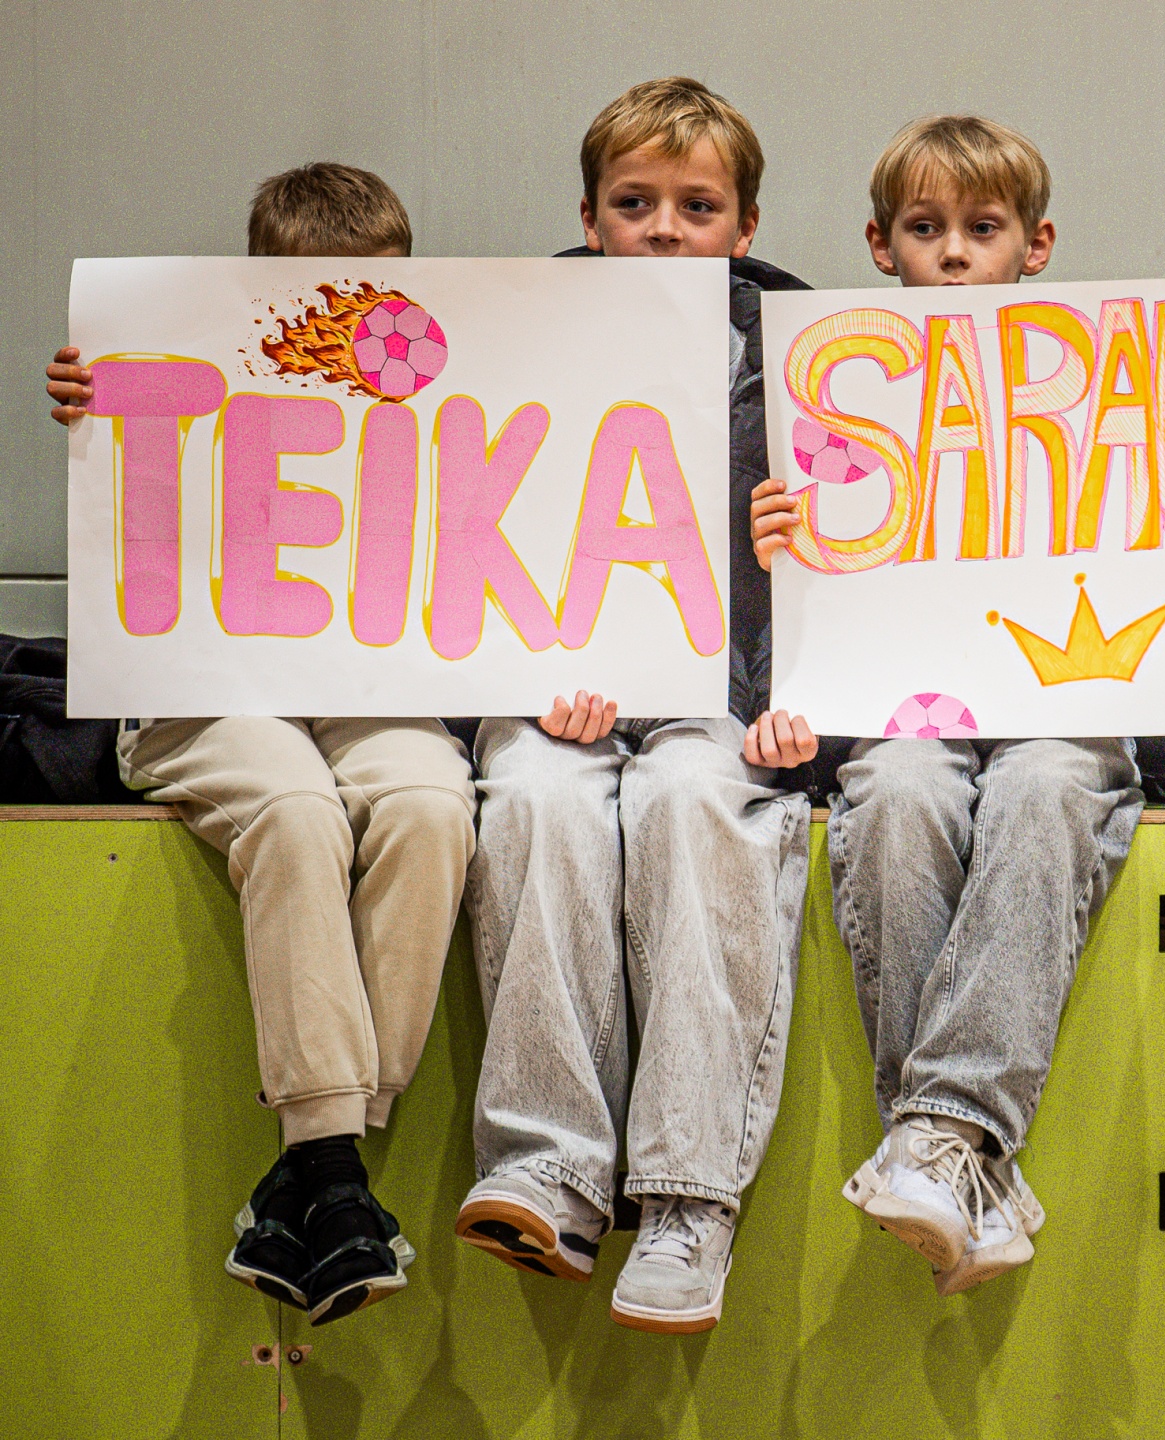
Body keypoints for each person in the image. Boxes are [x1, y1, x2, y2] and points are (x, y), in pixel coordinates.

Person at [43, 163, 476, 1327]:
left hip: (366, 682)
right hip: (200, 688)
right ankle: (333, 1166)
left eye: (370, 296)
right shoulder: (190, 367)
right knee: (293, 809)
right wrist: (99, 398)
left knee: (434, 806)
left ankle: (316, 1177)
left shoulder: (442, 380)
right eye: (311, 295)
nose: (342, 320)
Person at [750, 114, 1143, 1297]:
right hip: (902, 706)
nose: (956, 253)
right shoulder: (836, 400)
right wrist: (784, 555)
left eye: (984, 228)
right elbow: (808, 615)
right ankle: (966, 1161)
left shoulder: (1106, 384)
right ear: (883, 246)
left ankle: (941, 1137)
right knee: (897, 791)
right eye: (927, 230)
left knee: (1045, 785)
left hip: (1062, 705)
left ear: (1036, 245)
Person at [451, 76, 816, 1336]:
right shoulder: (502, 338)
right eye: (634, 203)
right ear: (590, 218)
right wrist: (118, 390)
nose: (664, 228)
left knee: (697, 798)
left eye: (697, 207)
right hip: (554, 686)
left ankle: (686, 1202)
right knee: (535, 797)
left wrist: (799, 595)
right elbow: (410, 491)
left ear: (745, 226)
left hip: (725, 700)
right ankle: (546, 1166)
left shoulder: (817, 362)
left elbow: (894, 566)